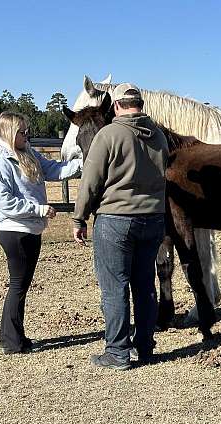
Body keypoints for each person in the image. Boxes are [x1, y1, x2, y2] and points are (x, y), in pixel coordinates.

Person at [72, 83, 169, 370]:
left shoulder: (109, 135)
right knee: (144, 285)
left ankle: (117, 352)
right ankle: (145, 346)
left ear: (116, 106)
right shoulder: (159, 136)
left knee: (115, 287)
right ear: (140, 104)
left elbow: (90, 181)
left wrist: (79, 218)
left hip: (116, 219)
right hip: (153, 219)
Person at [0, 111, 83, 354]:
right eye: (22, 132)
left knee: (21, 284)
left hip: (29, 229)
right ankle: (11, 340)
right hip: (14, 230)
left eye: (27, 131)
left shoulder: (27, 153)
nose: (27, 135)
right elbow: (4, 202)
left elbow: (54, 170)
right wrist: (38, 209)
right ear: (9, 133)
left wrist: (85, 162)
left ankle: (14, 336)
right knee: (18, 284)